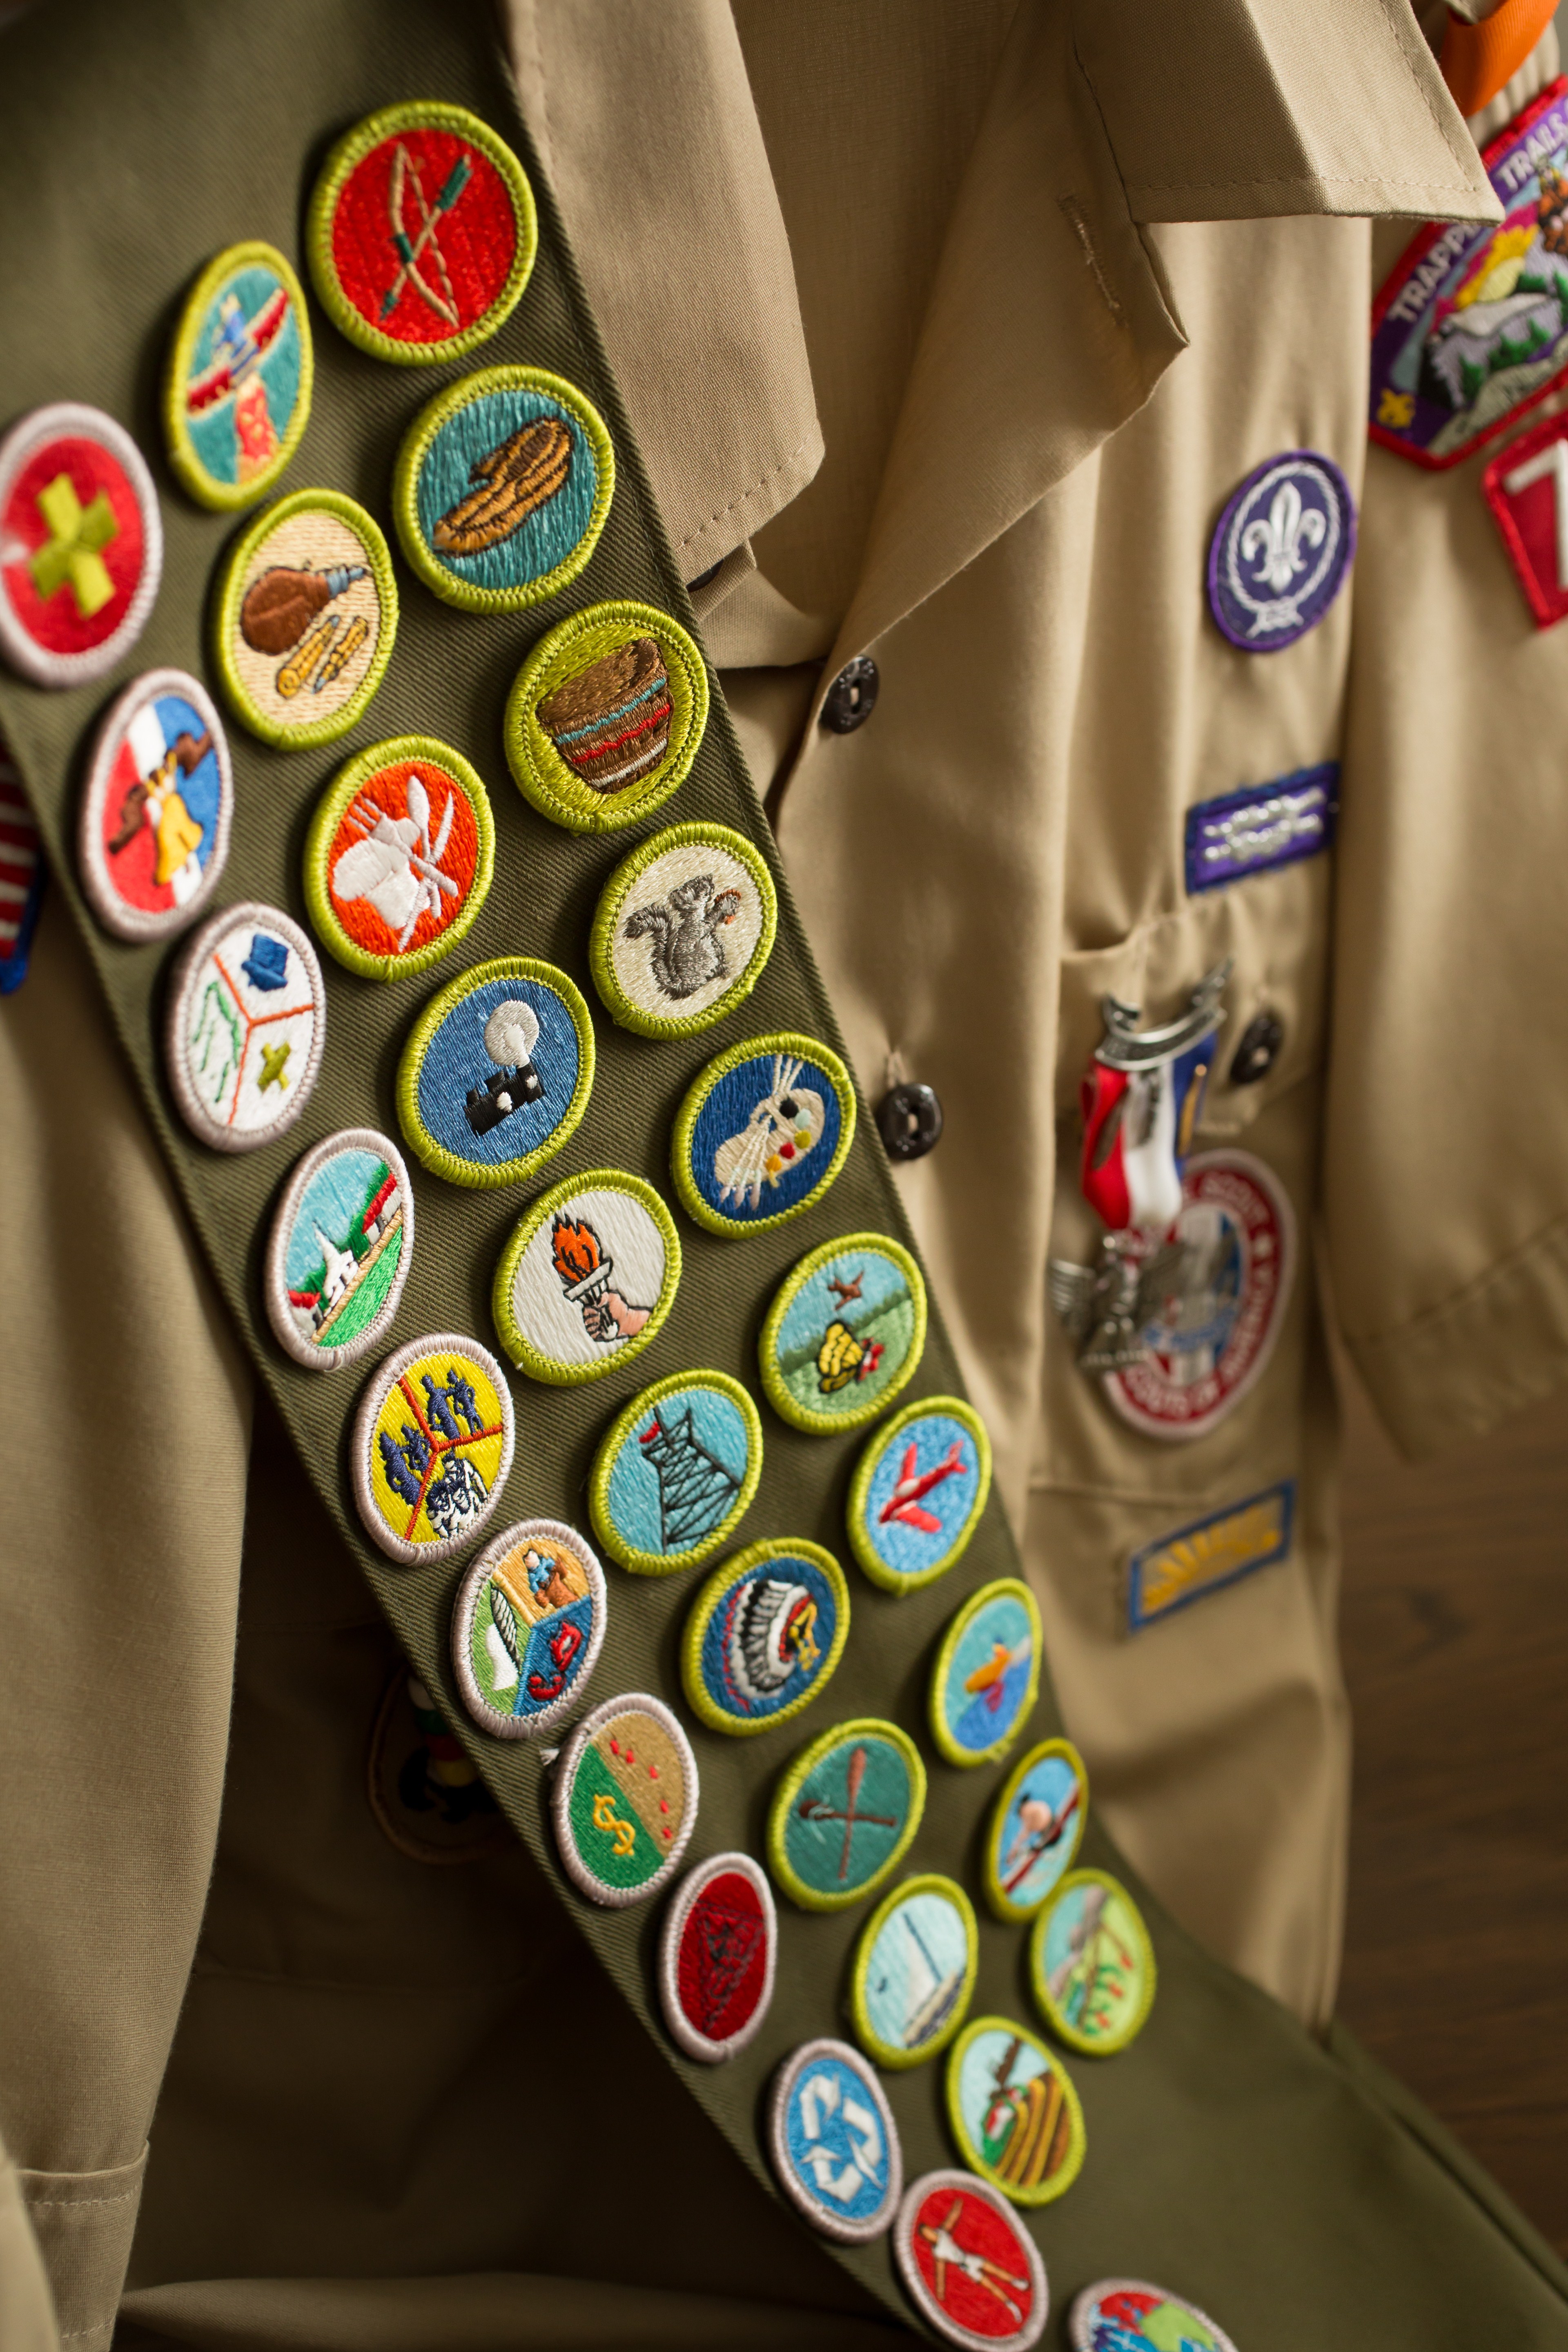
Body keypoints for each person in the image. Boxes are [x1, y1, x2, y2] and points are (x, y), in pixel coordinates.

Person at [2, 0, 1567, 2346]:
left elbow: (1472, 1198)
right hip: (355, 2227)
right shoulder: (113, 278)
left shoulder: (1426, 120)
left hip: (1142, 2085)